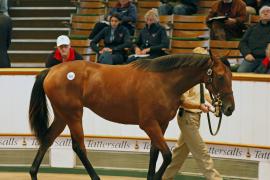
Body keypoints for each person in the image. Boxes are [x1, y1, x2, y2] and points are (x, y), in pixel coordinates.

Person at [162, 47, 222, 180]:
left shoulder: (200, 79)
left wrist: (215, 105)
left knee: (179, 154)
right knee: (202, 153)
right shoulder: (186, 79)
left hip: (195, 118)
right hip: (187, 118)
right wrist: (199, 106)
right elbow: (182, 101)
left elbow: (205, 95)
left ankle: (164, 177)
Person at [237, 6, 270, 73]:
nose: (265, 13)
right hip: (252, 58)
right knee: (241, 71)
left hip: (268, 59)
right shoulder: (252, 28)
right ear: (260, 16)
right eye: (263, 12)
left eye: (268, 11)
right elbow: (243, 43)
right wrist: (247, 54)